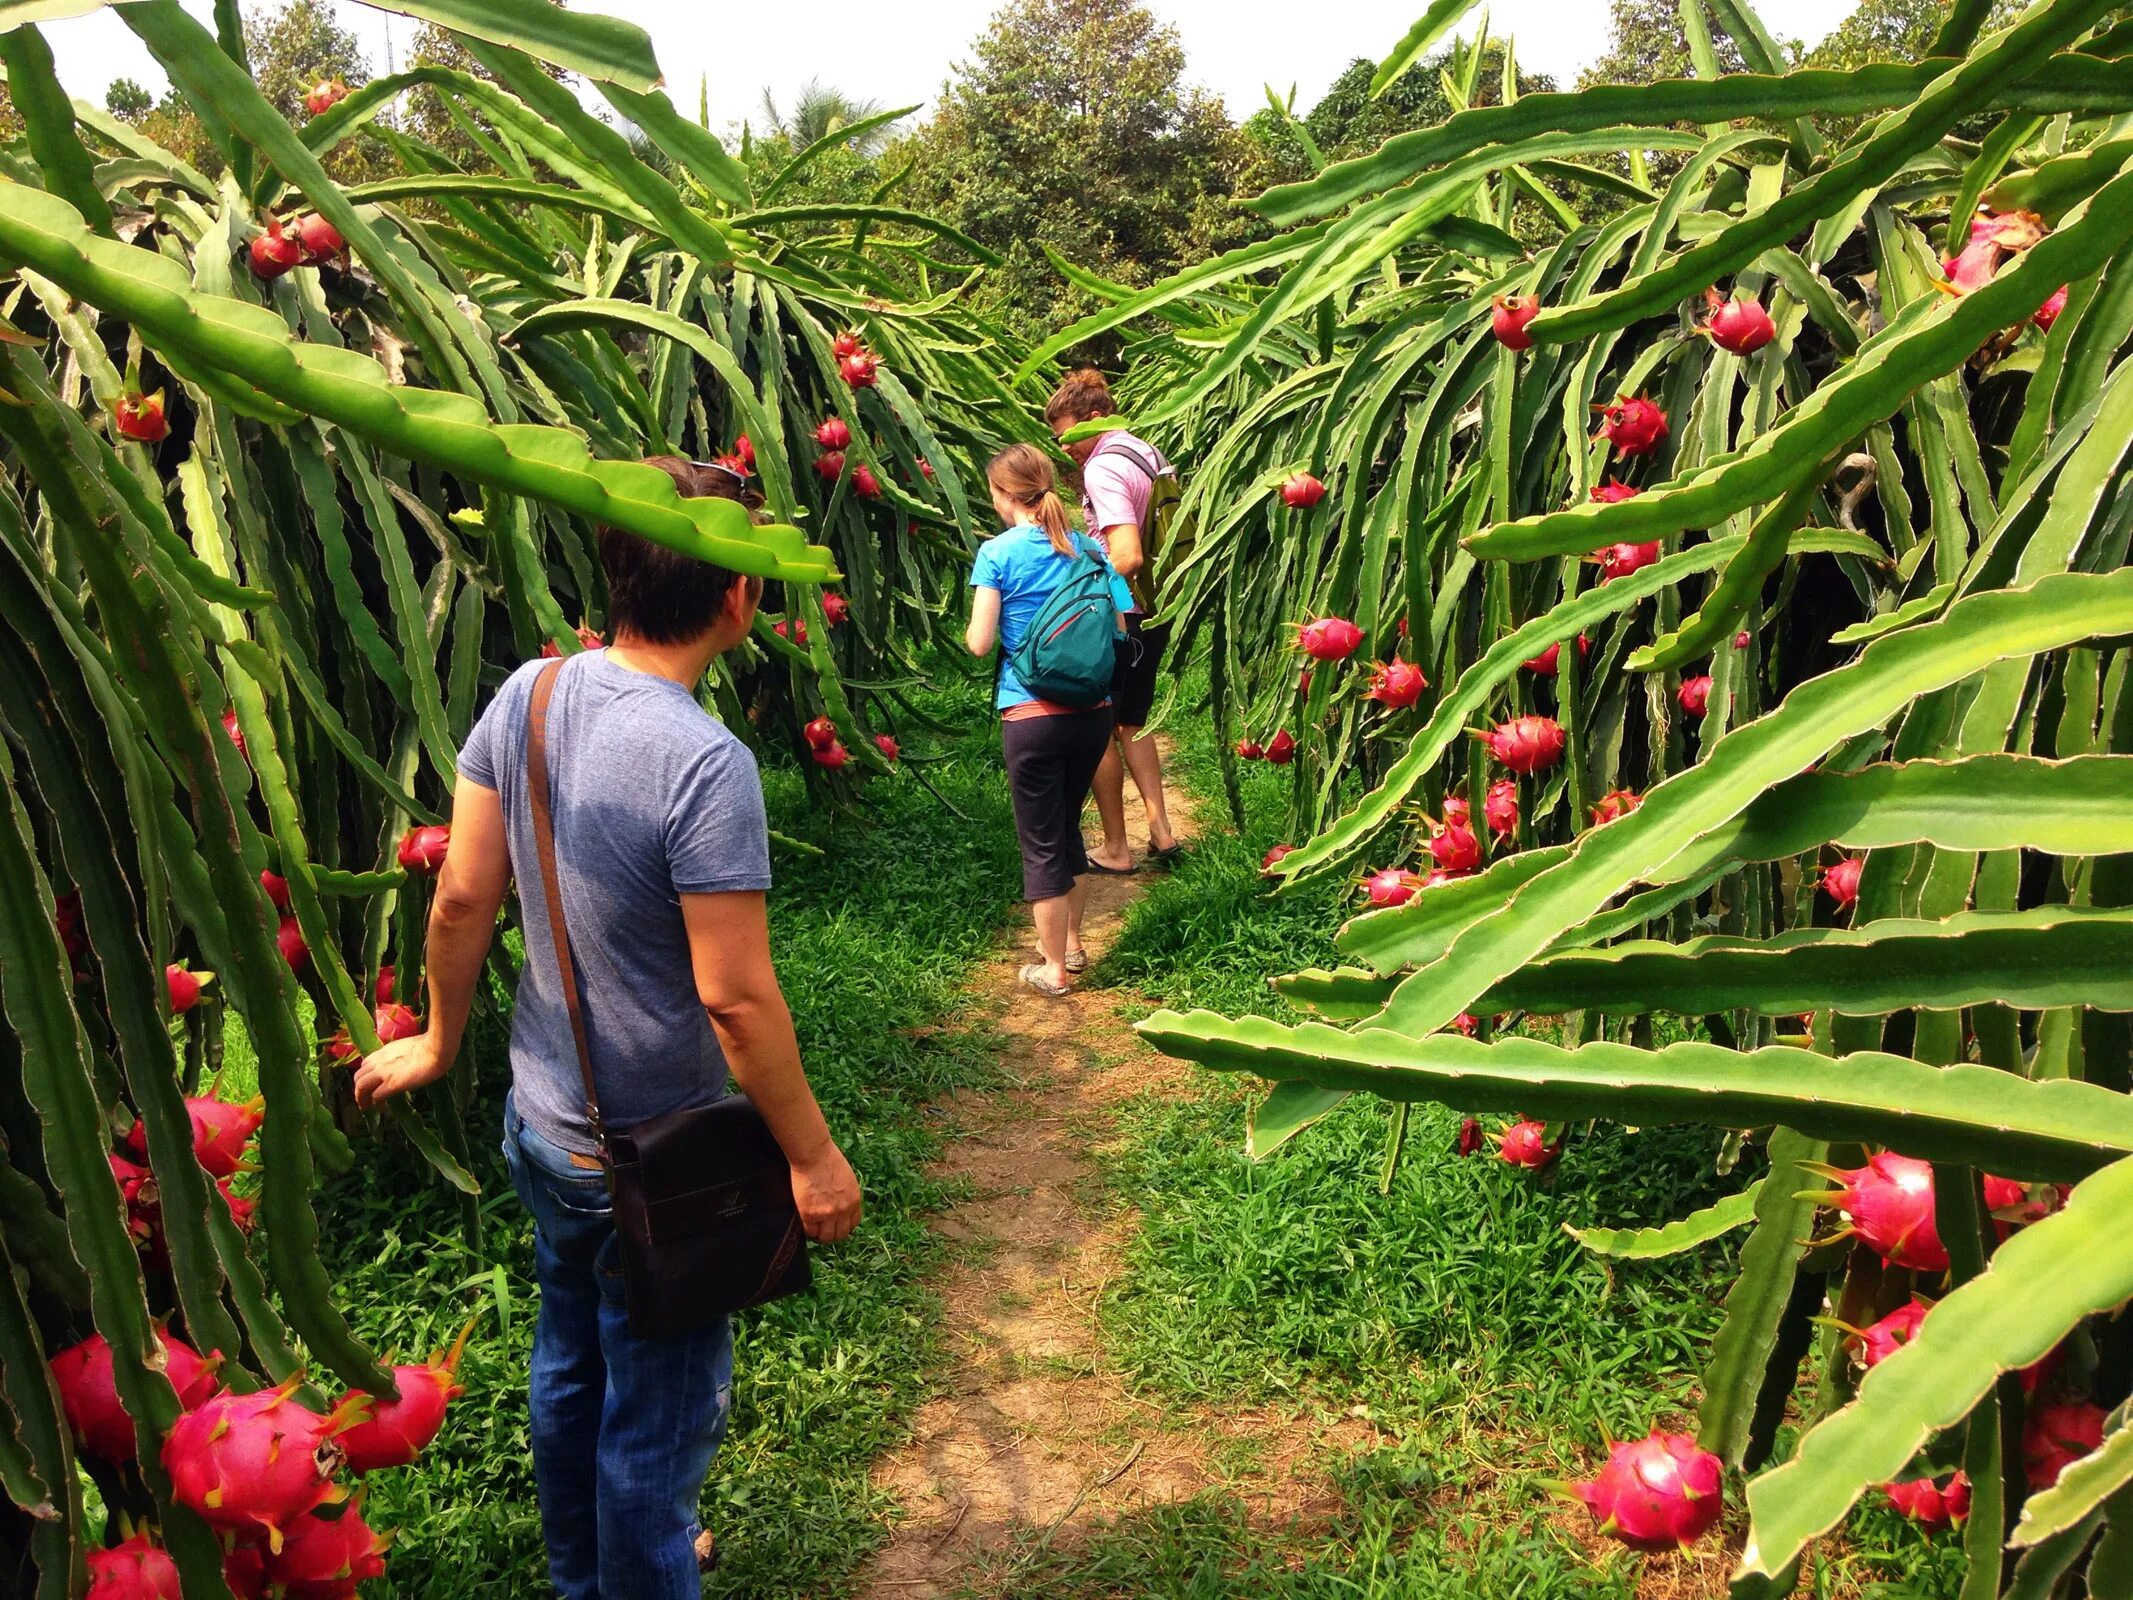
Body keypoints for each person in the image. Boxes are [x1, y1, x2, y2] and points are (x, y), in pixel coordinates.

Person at [353, 456, 862, 1599]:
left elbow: (460, 897)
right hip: (658, 1157)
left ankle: (583, 1577)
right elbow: (734, 998)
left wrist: (439, 1040)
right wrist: (813, 1158)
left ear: (617, 567)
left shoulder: (528, 691)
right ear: (741, 597)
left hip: (543, 1126)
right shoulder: (703, 761)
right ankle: (634, 1571)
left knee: (571, 1359)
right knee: (659, 1420)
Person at [966, 442, 1134, 998]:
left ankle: (1053, 968)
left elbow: (979, 642)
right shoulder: (1090, 548)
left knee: (1039, 841)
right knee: (1066, 829)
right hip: (1092, 712)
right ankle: (1074, 946)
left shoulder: (997, 552)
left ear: (1002, 494)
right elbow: (1121, 622)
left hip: (1031, 712)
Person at [1043, 368, 1183, 874]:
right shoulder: (1146, 452)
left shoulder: (1103, 468)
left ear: (1096, 418)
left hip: (1123, 614)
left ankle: (1117, 849)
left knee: (1100, 727)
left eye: (1070, 437)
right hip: (1158, 608)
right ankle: (1162, 831)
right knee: (1134, 721)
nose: (1067, 451)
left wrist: (1074, 597)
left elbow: (1127, 553)